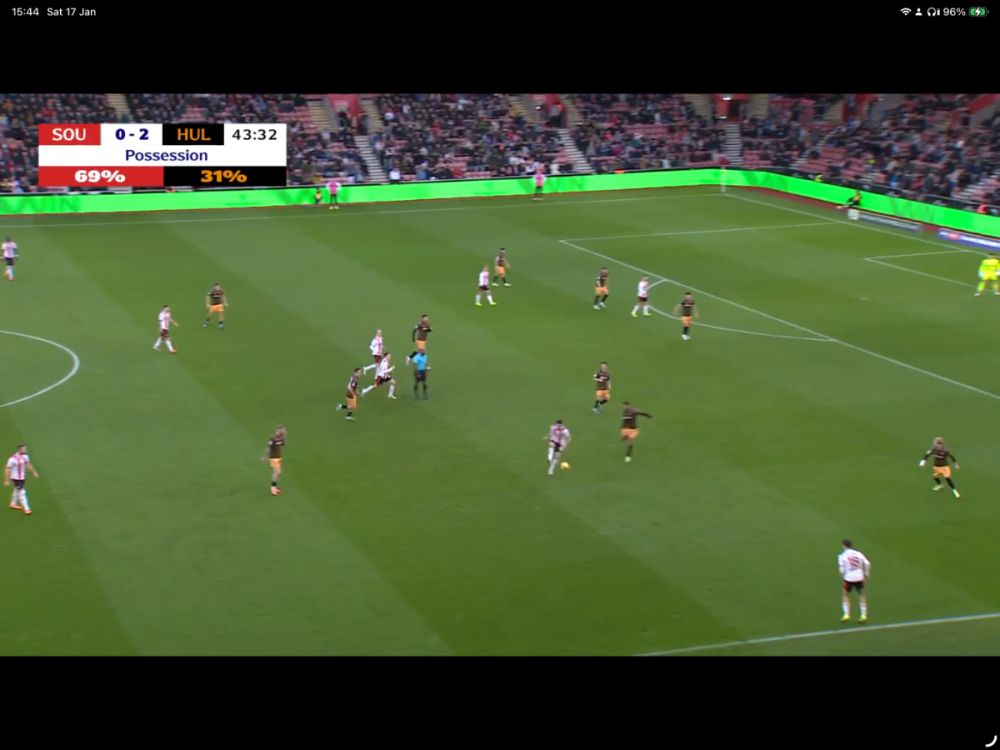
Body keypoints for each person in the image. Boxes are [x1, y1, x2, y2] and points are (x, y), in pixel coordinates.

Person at [838, 540, 871, 623]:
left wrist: (841, 574)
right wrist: (867, 573)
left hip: (849, 578)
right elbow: (867, 563)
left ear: (844, 546)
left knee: (845, 594)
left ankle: (846, 614)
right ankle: (863, 615)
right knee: (862, 595)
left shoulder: (842, 556)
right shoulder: (858, 553)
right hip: (859, 577)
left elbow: (842, 569)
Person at [4, 444, 38, 515]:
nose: (25, 450)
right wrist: (6, 480)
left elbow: (28, 465)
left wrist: (33, 473)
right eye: (24, 449)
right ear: (20, 450)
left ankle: (13, 504)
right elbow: (7, 469)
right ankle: (27, 509)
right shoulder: (12, 459)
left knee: (17, 490)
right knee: (22, 492)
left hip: (22, 477)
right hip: (15, 478)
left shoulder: (25, 456)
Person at [262, 425, 286, 495]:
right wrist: (265, 456)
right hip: (274, 457)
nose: (284, 431)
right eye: (283, 430)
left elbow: (284, 444)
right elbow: (268, 448)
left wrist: (283, 438)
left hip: (278, 457)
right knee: (277, 472)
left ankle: (274, 487)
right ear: (279, 430)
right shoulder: (273, 439)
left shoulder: (281, 438)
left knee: (278, 473)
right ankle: (272, 489)